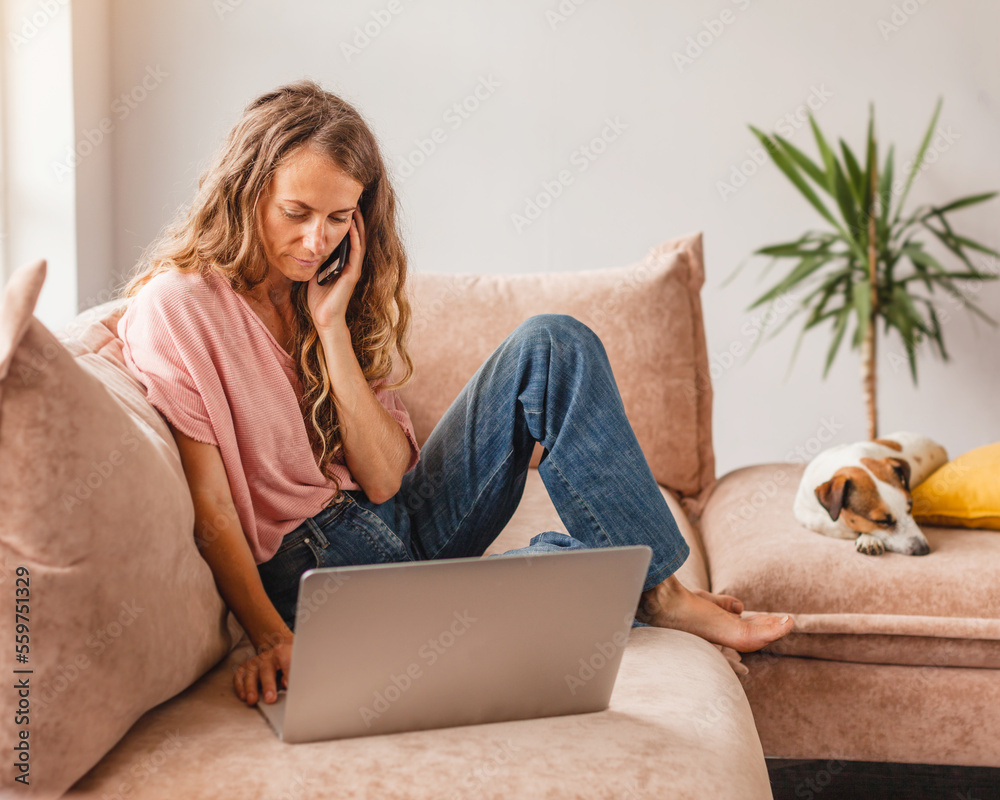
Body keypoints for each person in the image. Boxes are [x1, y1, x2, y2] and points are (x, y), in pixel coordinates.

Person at [116, 79, 794, 709]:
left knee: (552, 343)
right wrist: (269, 635)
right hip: (324, 570)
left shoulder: (326, 293)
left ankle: (661, 590)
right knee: (588, 575)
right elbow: (211, 506)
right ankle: (616, 580)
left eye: (336, 218)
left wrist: (329, 328)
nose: (314, 240)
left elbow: (384, 481)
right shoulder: (178, 307)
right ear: (246, 190)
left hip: (390, 520)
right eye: (295, 213)